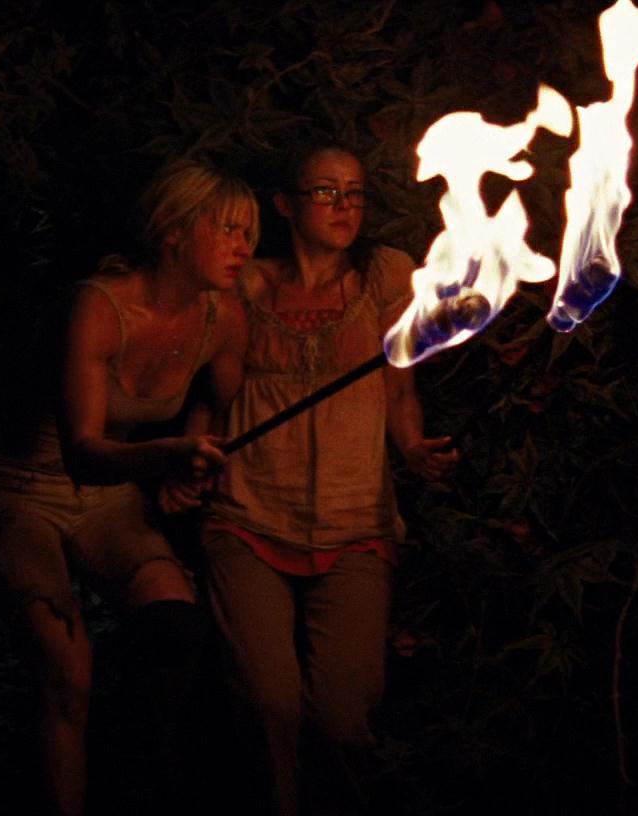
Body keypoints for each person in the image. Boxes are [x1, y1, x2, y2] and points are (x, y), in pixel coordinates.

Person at [174, 144, 458, 815]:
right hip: (249, 516)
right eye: (326, 191)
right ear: (286, 204)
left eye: (355, 192)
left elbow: (400, 391)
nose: (344, 206)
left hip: (354, 522)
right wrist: (186, 458)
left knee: (343, 717)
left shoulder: (385, 277)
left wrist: (412, 447)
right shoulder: (244, 285)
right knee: (268, 701)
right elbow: (214, 394)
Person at [0, 158, 253, 814]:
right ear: (172, 230)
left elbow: (212, 402)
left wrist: (191, 461)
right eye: (227, 229)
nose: (244, 246)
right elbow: (83, 454)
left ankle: (138, 782)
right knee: (67, 670)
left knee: (176, 627)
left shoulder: (224, 319)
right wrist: (167, 455)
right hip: (22, 489)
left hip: (110, 498)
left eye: (250, 232)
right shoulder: (98, 307)